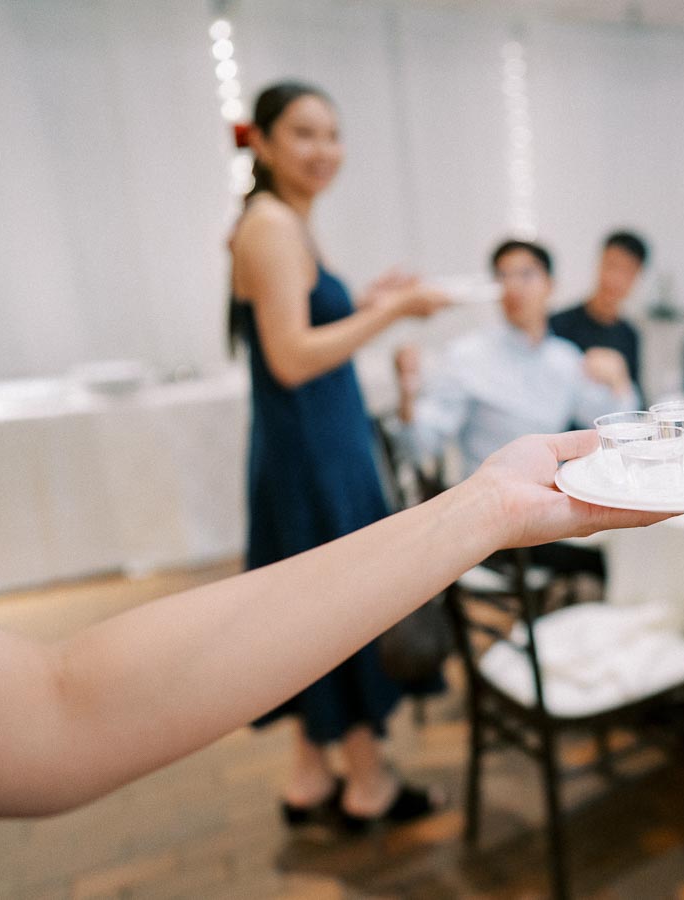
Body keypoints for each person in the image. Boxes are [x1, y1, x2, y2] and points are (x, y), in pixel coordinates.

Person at [0, 432, 671, 818]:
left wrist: (488, 509)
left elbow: (63, 703)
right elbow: (60, 714)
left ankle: (326, 772)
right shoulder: (268, 230)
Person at [227, 81, 450, 829]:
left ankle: (310, 774)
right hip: (314, 454)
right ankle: (368, 783)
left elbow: (297, 324)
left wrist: (362, 301)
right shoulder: (270, 226)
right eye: (303, 133)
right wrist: (390, 313)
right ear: (261, 142)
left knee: (302, 612)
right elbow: (290, 357)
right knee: (339, 610)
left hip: (307, 446)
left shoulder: (283, 221)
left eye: (332, 133)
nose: (323, 150)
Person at [394, 239, 637, 479]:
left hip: (547, 497)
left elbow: (618, 433)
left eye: (526, 275)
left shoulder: (565, 360)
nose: (513, 286)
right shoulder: (467, 355)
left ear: (550, 285)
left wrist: (620, 381)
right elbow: (421, 446)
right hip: (484, 501)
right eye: (503, 276)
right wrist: (407, 395)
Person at [549, 230, 649, 402]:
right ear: (599, 264)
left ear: (637, 277)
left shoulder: (630, 334)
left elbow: (637, 402)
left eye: (627, 271)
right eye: (612, 266)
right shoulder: (558, 324)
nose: (616, 279)